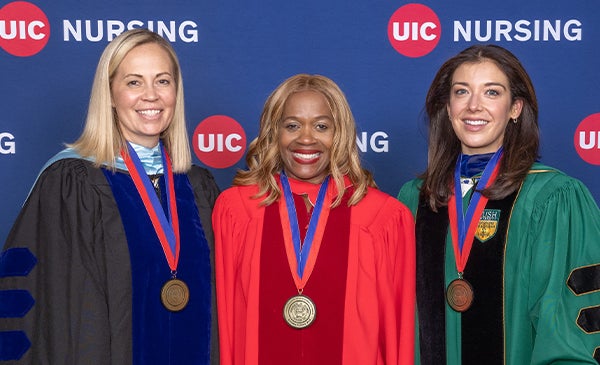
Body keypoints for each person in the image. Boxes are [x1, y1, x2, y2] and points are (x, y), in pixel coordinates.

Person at [0, 29, 219, 364]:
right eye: (134, 82)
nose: (151, 95)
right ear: (111, 94)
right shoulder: (72, 184)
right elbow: (61, 314)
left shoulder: (198, 186)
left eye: (162, 81)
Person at [398, 44, 600, 364]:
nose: (474, 106)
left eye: (492, 93)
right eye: (462, 92)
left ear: (515, 108)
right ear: (448, 107)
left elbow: (567, 326)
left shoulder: (553, 197)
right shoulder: (416, 199)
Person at [213, 74, 416, 364]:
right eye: (292, 125)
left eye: (322, 126)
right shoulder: (237, 210)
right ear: (274, 132)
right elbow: (227, 332)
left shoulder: (382, 217)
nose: (306, 138)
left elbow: (396, 340)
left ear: (341, 134)